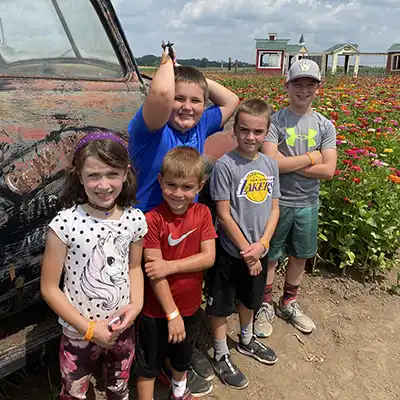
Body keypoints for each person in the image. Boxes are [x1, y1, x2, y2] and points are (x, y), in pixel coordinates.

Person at [128, 43, 238, 394]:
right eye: (180, 98)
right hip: (149, 225)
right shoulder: (153, 126)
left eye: (195, 100)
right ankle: (157, 360)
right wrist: (168, 65)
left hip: (185, 217)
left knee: (182, 286)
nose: (187, 106)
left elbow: (232, 101)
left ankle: (179, 356)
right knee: (151, 300)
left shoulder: (202, 119)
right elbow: (160, 92)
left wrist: (192, 75)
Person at [40, 132, 147, 400]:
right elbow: (49, 288)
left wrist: (136, 306)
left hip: (123, 328)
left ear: (126, 173)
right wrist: (89, 329)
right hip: (78, 334)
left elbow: (135, 268)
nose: (103, 185)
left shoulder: (135, 219)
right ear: (79, 176)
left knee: (119, 387)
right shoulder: (65, 224)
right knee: (74, 392)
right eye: (93, 175)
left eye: (112, 174)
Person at [256, 59, 337, 338]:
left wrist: (289, 161)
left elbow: (328, 170)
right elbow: (270, 162)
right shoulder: (275, 121)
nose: (303, 90)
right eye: (297, 84)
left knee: (300, 254)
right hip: (277, 201)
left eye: (310, 85)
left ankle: (289, 301)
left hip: (307, 202)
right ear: (286, 85)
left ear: (318, 88)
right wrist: (312, 157)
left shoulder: (325, 125)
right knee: (271, 256)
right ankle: (264, 304)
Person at [206, 99, 280, 389]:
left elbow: (275, 209)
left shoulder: (270, 164)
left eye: (258, 131)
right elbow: (223, 214)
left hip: (259, 250)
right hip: (230, 250)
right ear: (234, 130)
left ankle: (247, 340)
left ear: (267, 132)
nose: (251, 137)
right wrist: (247, 253)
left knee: (250, 298)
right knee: (220, 305)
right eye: (245, 130)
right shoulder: (225, 165)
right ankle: (221, 352)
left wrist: (261, 245)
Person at [135, 146, 217, 400]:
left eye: (187, 187)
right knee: (148, 364)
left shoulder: (202, 213)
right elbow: (153, 272)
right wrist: (172, 314)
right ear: (160, 181)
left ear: (200, 186)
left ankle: (179, 393)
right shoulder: (152, 220)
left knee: (182, 358)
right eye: (171, 185)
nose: (178, 193)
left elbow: (209, 257)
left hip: (191, 307)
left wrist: (171, 266)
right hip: (156, 311)